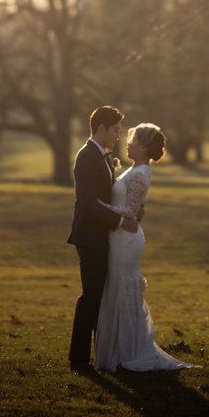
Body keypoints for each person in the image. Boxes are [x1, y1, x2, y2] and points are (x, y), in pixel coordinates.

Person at [94, 122, 198, 372]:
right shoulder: (134, 169)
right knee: (116, 288)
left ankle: (128, 351)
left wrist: (98, 207)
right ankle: (120, 348)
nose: (128, 143)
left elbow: (130, 211)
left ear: (144, 148)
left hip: (126, 239)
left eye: (134, 142)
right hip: (120, 235)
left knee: (122, 288)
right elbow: (131, 206)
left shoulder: (140, 173)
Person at [67, 106, 139, 373]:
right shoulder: (87, 156)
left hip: (101, 235)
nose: (118, 136)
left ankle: (102, 355)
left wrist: (129, 212)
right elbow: (88, 203)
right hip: (89, 236)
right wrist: (119, 222)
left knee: (100, 296)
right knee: (91, 296)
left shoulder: (102, 156)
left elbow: (106, 198)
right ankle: (78, 359)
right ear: (101, 128)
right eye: (116, 131)